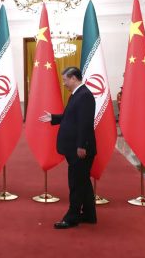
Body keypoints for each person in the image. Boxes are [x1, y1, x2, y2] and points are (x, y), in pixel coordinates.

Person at [39, 66, 97, 229]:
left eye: (65, 79)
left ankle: (72, 217)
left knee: (76, 183)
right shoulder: (77, 94)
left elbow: (85, 123)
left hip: (80, 149)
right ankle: (89, 214)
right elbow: (70, 117)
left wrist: (81, 146)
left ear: (73, 78)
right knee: (83, 182)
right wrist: (54, 117)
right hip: (75, 148)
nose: (63, 83)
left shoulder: (84, 95)